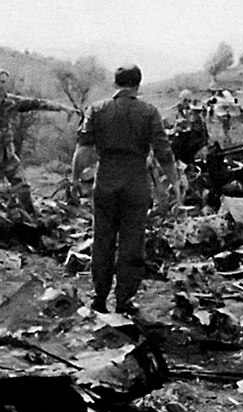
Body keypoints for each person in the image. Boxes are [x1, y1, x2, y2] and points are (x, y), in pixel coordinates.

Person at [70, 64, 182, 315]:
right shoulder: (149, 112)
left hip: (106, 180)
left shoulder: (97, 110)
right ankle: (124, 300)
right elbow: (164, 152)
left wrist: (75, 179)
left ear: (115, 84)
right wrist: (174, 183)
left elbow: (83, 149)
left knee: (102, 239)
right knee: (132, 241)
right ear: (138, 85)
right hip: (135, 183)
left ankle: (99, 297)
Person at [0, 68, 76, 215]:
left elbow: (36, 103)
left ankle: (31, 217)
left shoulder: (11, 102)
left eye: (3, 82)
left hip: (7, 153)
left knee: (22, 187)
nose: (0, 85)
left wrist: (62, 108)